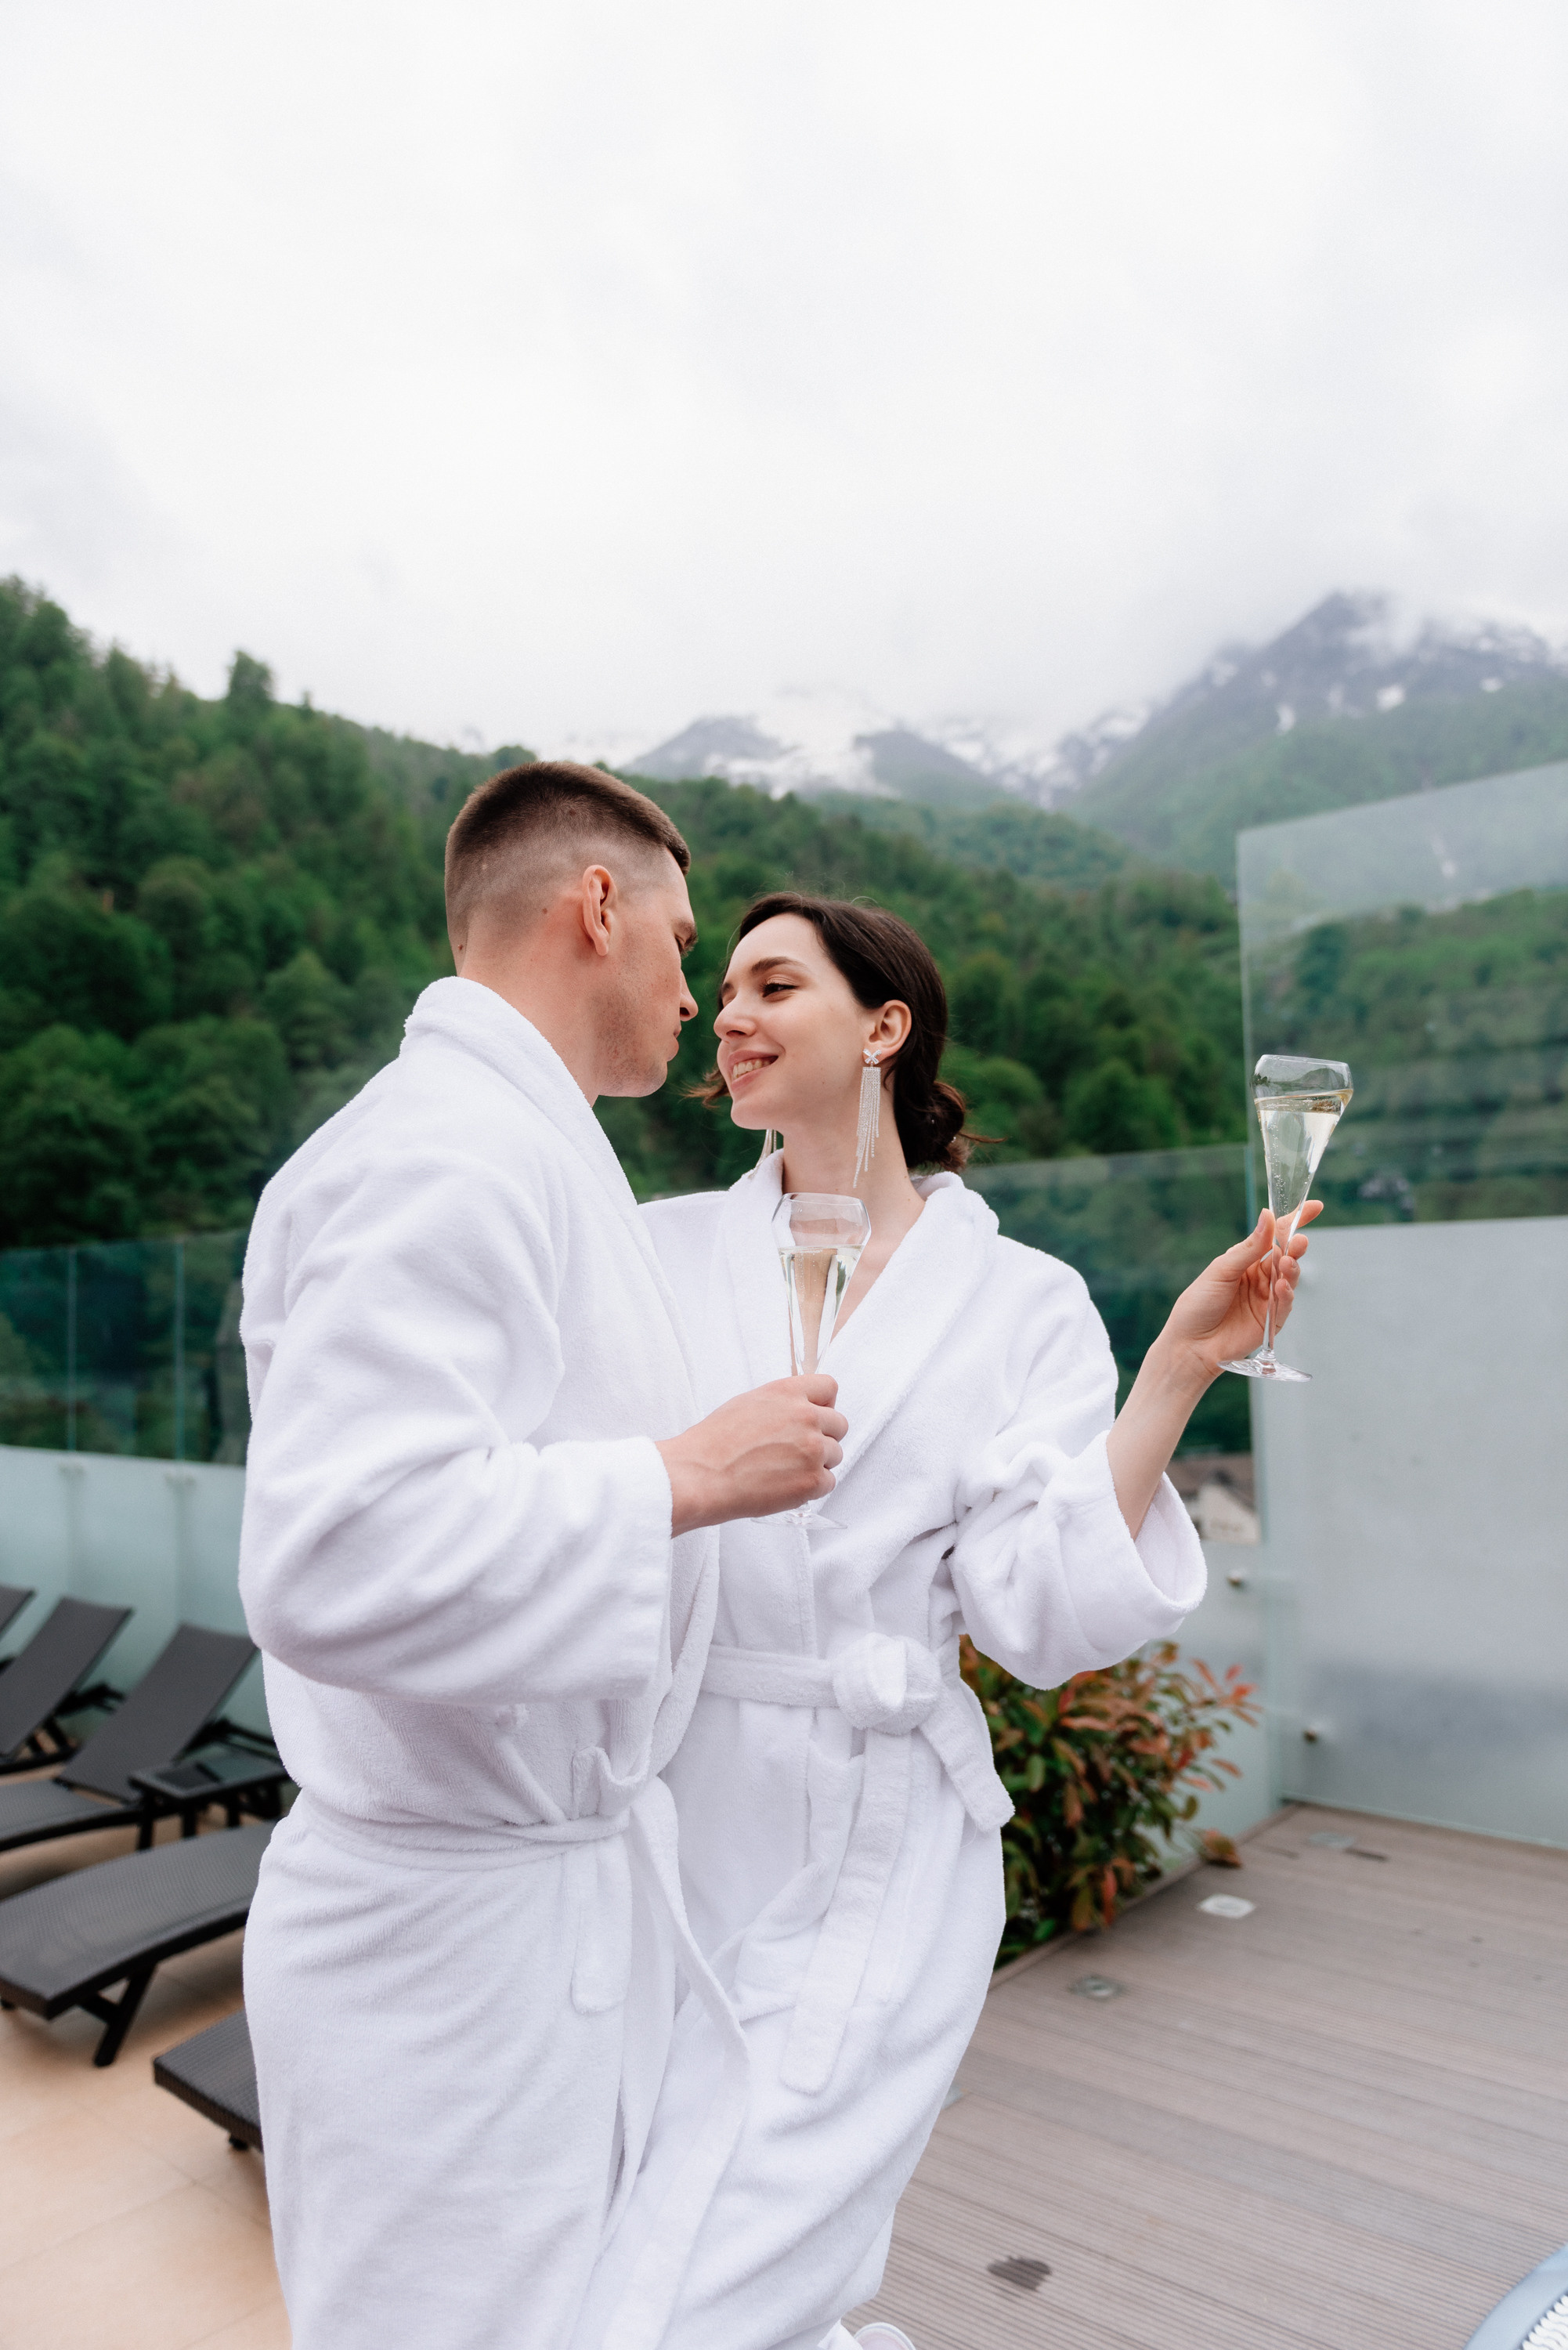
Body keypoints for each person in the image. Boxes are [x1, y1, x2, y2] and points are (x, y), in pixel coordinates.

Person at [574, 892, 1317, 2350]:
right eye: (723, 988)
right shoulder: (657, 1252)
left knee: (714, 2275)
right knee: (638, 2216)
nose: (727, 1016)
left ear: (884, 1027)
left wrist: (1172, 1372)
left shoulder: (1019, 1301)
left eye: (773, 985)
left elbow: (1035, 1611)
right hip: (670, 1814)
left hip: (881, 1831)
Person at [237, 772, 847, 2350]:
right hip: (447, 1964)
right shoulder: (446, 1154)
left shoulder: (523, 1151)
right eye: (682, 944)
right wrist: (687, 1475)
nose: (692, 996)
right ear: (597, 906)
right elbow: (338, 1551)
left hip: (534, 1918)